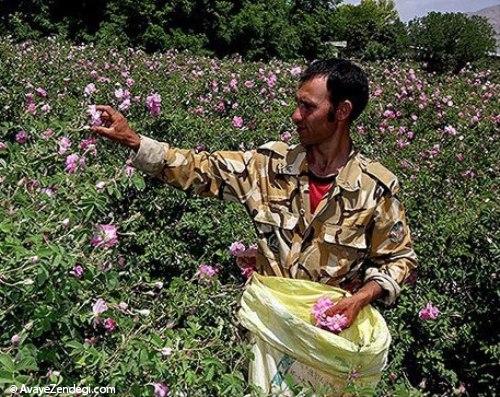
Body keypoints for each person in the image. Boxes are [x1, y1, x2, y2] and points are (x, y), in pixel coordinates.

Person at [91, 58, 417, 392]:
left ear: (342, 111)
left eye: (308, 107)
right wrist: (134, 141)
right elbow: (201, 168)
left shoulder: (374, 188)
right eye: (297, 104)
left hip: (325, 344)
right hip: (266, 332)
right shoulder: (268, 167)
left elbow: (400, 259)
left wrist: (361, 297)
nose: (295, 115)